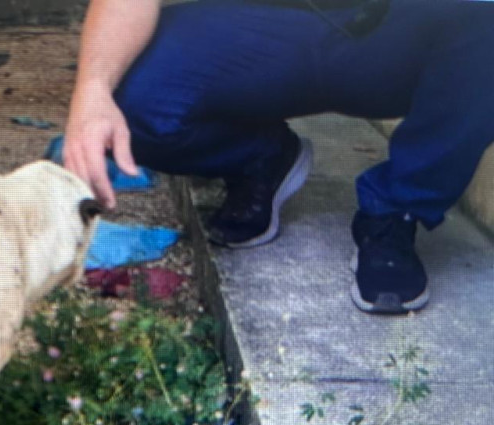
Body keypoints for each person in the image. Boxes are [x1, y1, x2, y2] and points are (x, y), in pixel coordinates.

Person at [63, 0, 494, 314]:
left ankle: (397, 210)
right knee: (132, 99)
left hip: (388, 36)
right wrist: (91, 93)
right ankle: (259, 160)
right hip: (258, 31)